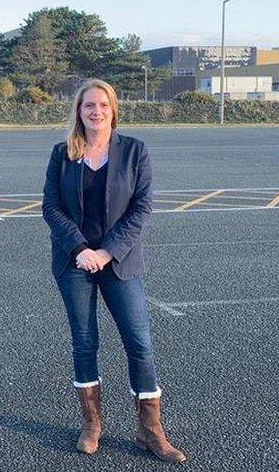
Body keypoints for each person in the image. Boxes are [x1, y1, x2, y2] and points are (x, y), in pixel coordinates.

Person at [41, 78, 186, 463]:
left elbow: (141, 208)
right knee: (84, 342)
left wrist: (106, 251)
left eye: (103, 105)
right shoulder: (62, 153)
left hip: (120, 261)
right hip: (75, 263)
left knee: (139, 343)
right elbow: (51, 207)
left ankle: (150, 431)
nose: (96, 111)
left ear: (113, 109)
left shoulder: (135, 151)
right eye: (89, 105)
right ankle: (92, 424)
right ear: (79, 111)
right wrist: (81, 249)